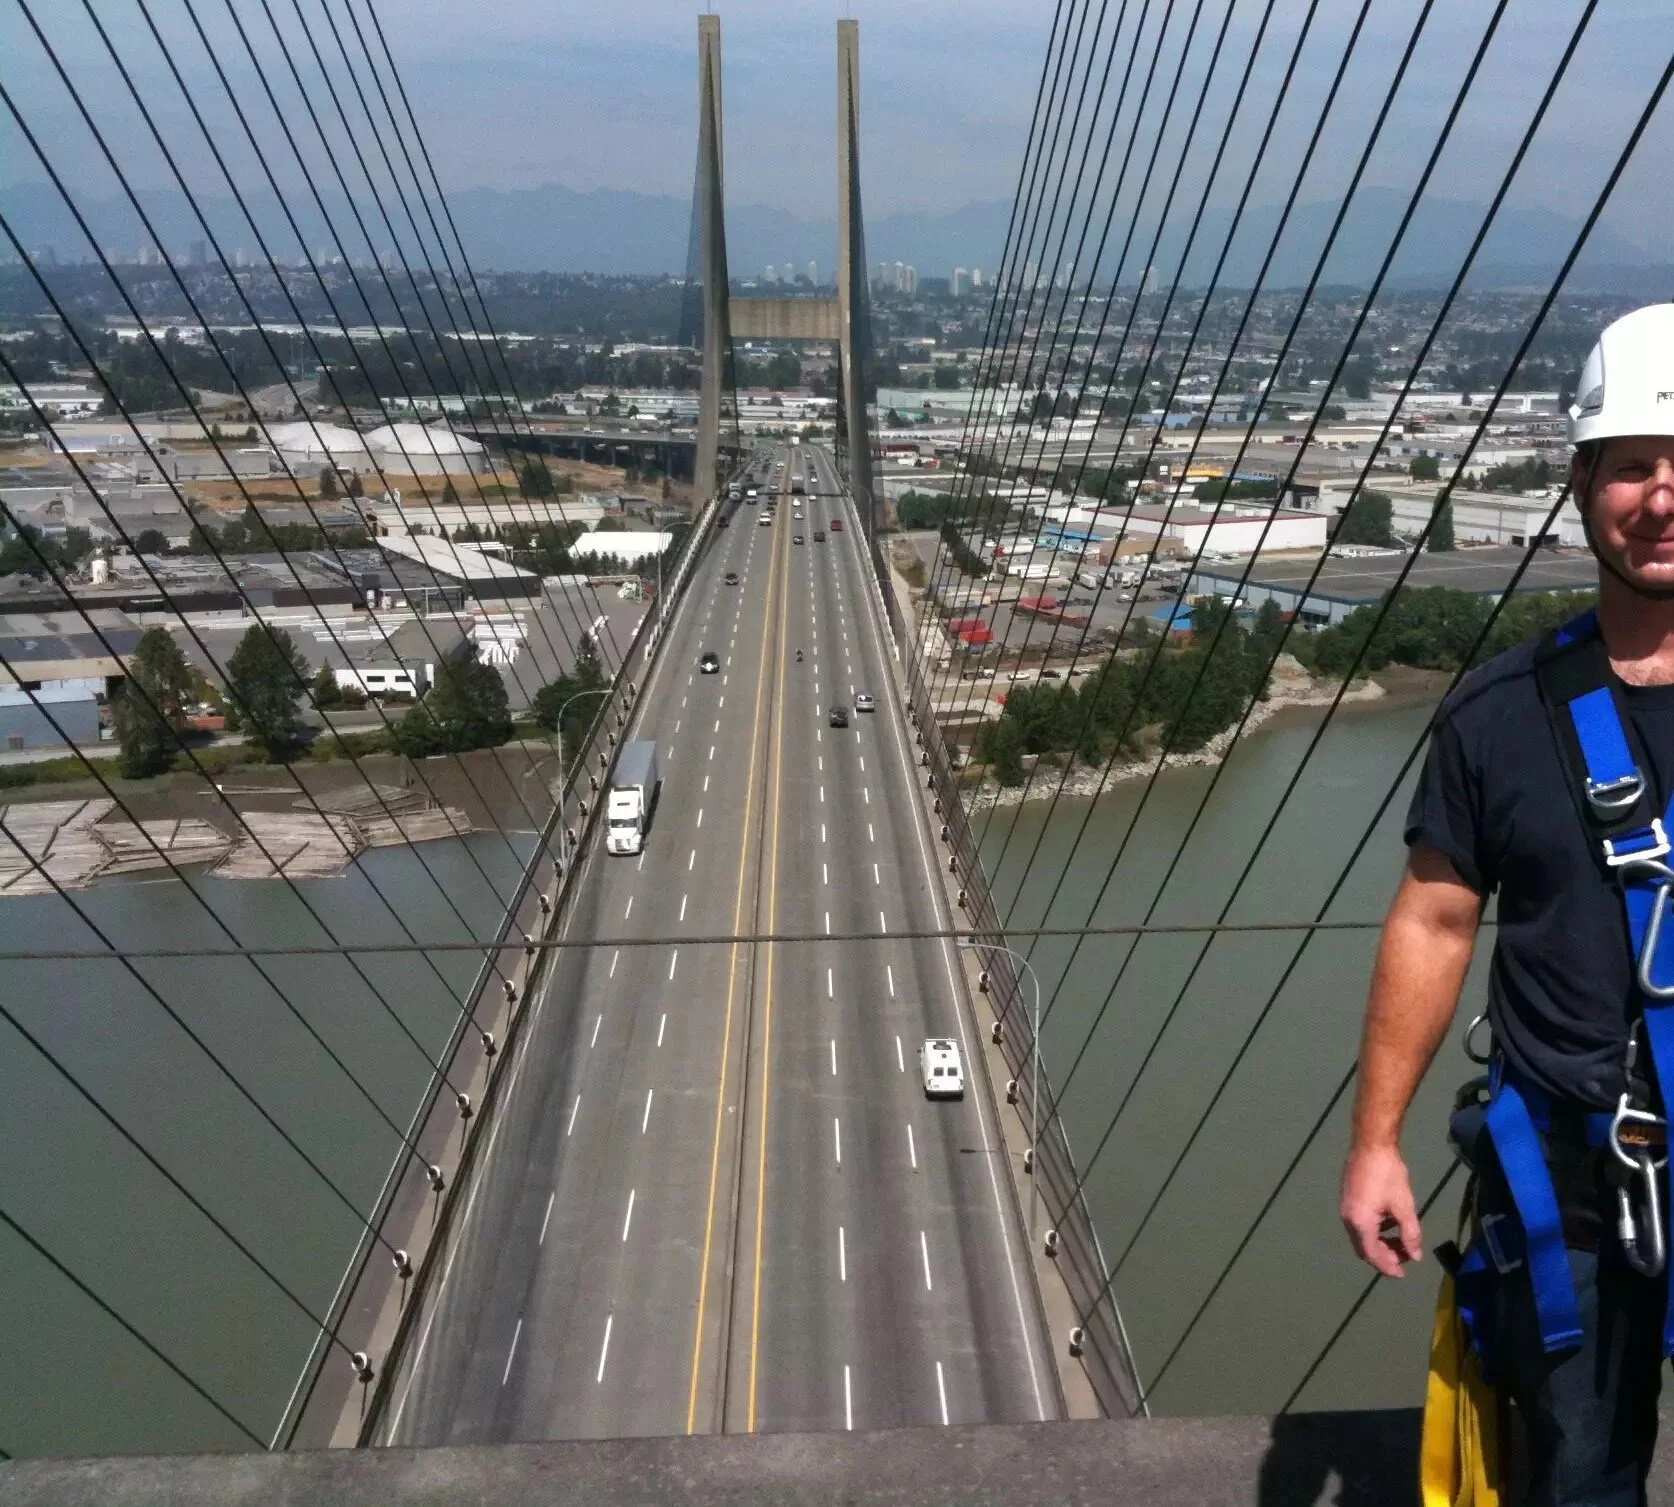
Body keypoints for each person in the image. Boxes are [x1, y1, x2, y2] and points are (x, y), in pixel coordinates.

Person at [1341, 303, 1674, 1506]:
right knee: (1579, 1480)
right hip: (1574, 1198)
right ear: (1582, 484)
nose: (1662, 495)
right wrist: (1378, 1140)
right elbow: (1434, 917)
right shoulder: (1500, 713)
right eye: (1632, 466)